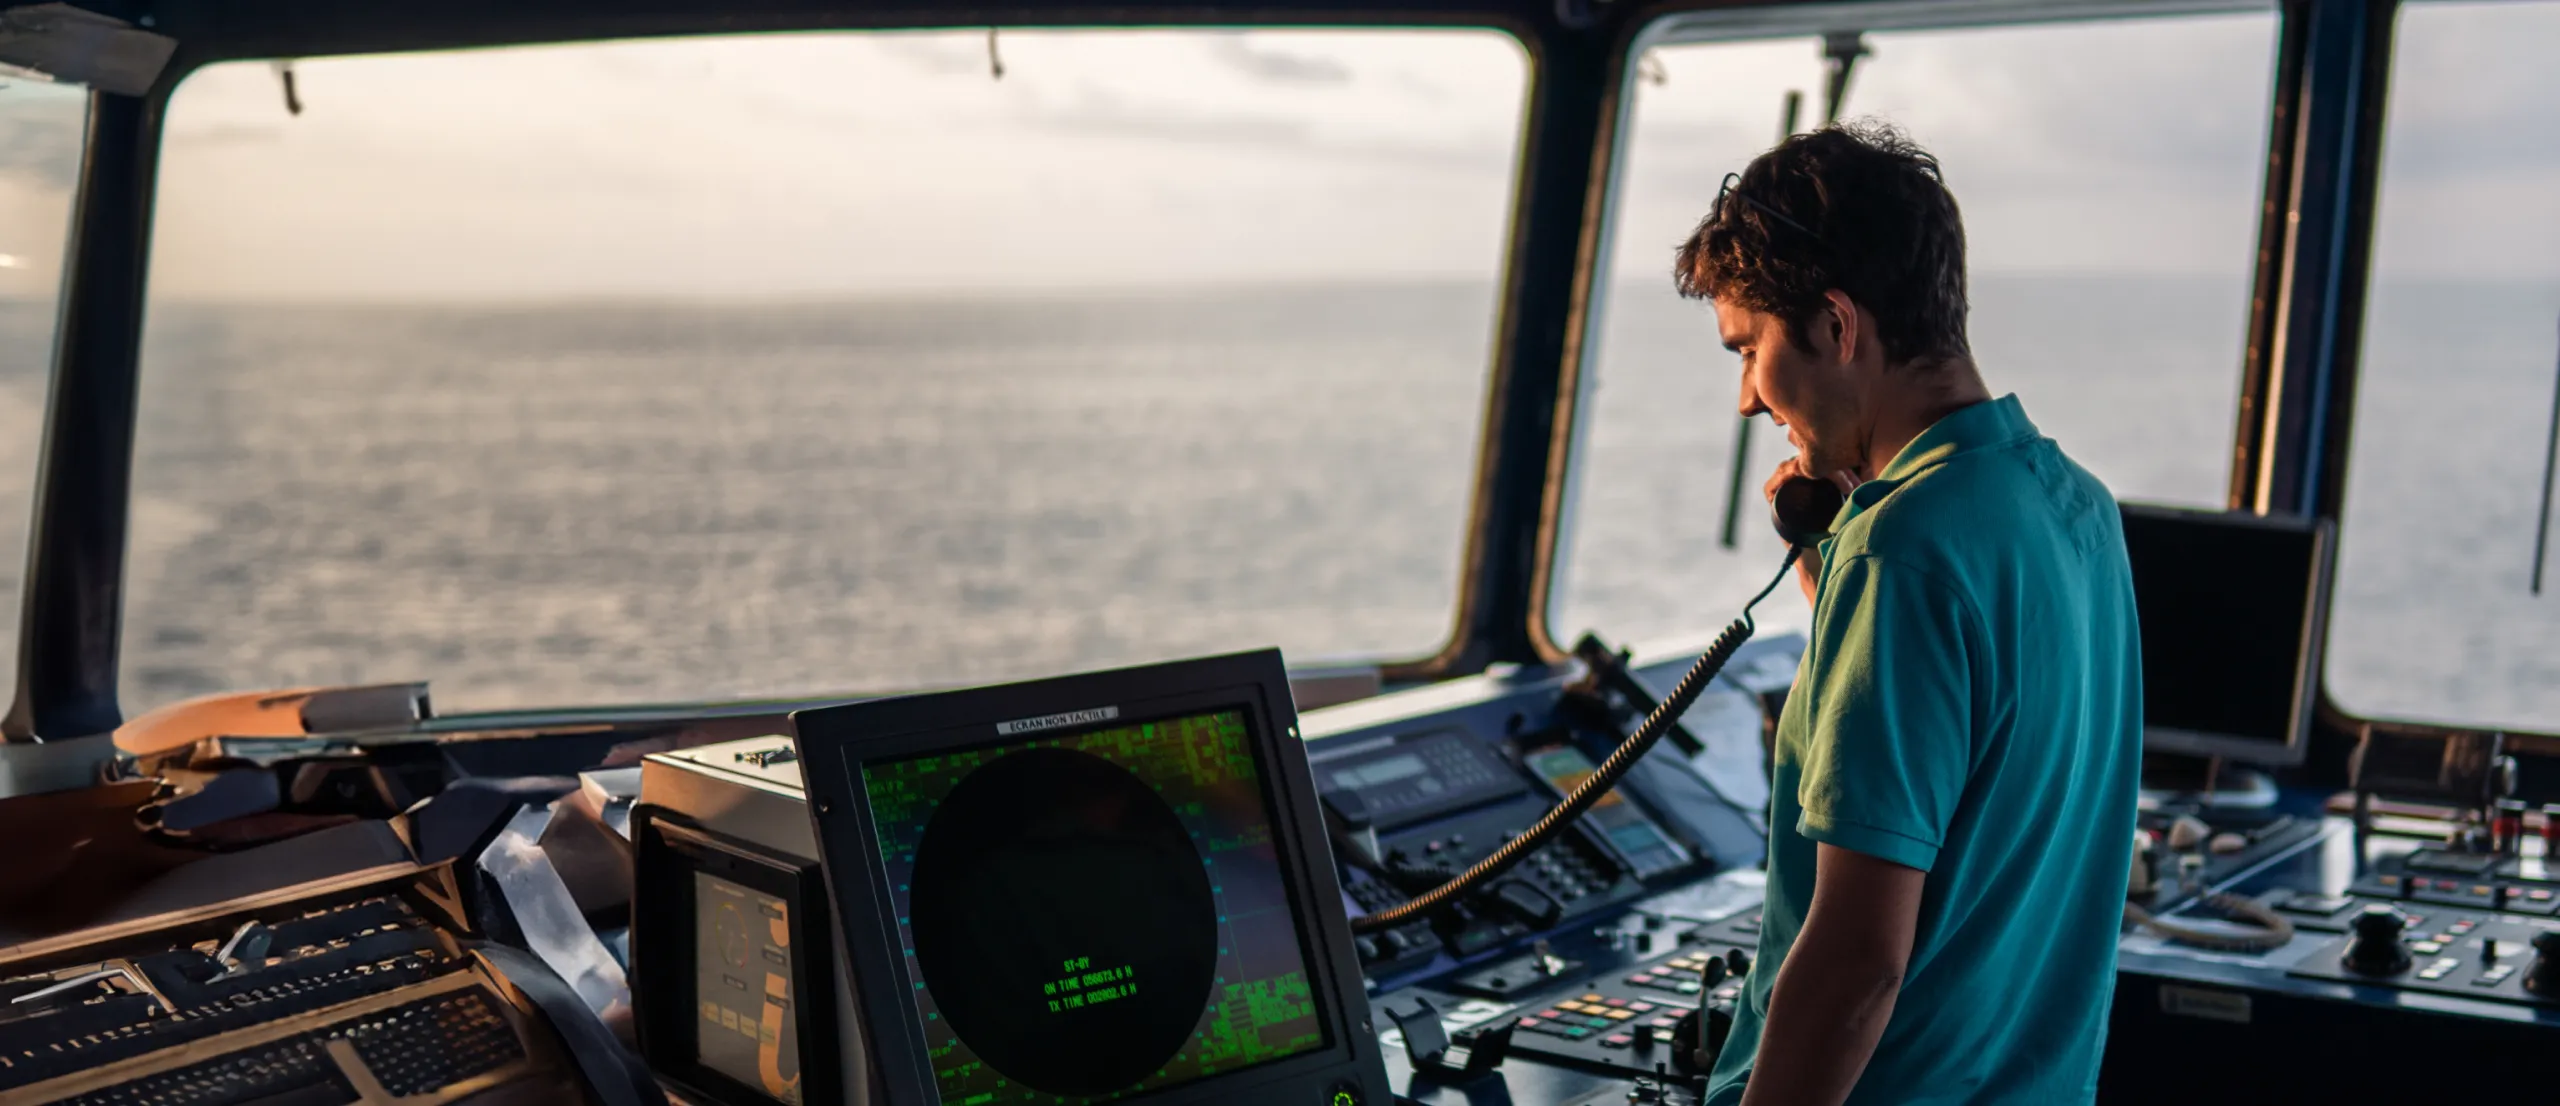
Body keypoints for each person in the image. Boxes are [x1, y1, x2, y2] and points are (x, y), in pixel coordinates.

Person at [1680, 122, 2142, 1105]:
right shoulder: (2075, 508)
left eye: (1749, 347)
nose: (1747, 399)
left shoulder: (1905, 552)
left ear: (1837, 327)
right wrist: (1830, 558)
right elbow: (1965, 761)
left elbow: (1857, 962)